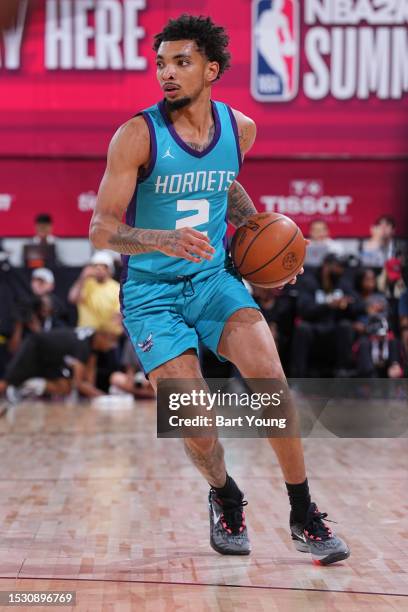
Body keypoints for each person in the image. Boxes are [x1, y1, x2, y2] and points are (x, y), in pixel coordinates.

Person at [89, 15, 349, 564]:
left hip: (212, 280)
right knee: (197, 426)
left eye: (181, 62)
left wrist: (261, 244)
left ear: (212, 69)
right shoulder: (136, 135)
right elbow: (101, 228)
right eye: (161, 63)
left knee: (269, 378)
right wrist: (164, 238)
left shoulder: (241, 129)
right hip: (152, 294)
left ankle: (303, 513)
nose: (167, 73)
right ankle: (226, 494)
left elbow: (222, 181)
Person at [0, 327, 119, 403]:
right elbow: (78, 383)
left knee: (65, 386)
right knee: (6, 382)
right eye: (110, 342)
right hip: (35, 348)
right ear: (101, 337)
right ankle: (22, 385)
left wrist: (94, 394)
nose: (110, 347)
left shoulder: (91, 340)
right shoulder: (83, 347)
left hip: (51, 358)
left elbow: (90, 376)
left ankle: (30, 386)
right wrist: (105, 398)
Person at [292, 254, 357, 377]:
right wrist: (328, 305)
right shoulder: (310, 282)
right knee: (302, 328)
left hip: (334, 328)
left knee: (346, 326)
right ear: (326, 266)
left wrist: (348, 304)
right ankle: (299, 376)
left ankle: (343, 373)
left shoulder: (342, 282)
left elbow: (356, 303)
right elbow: (303, 310)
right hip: (315, 327)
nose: (340, 270)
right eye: (337, 267)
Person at [68, 251, 121, 334]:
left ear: (110, 269)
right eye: (95, 266)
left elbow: (117, 316)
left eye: (103, 266)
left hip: (106, 334)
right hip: (85, 331)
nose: (99, 269)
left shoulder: (116, 288)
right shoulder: (85, 284)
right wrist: (82, 277)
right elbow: (72, 299)